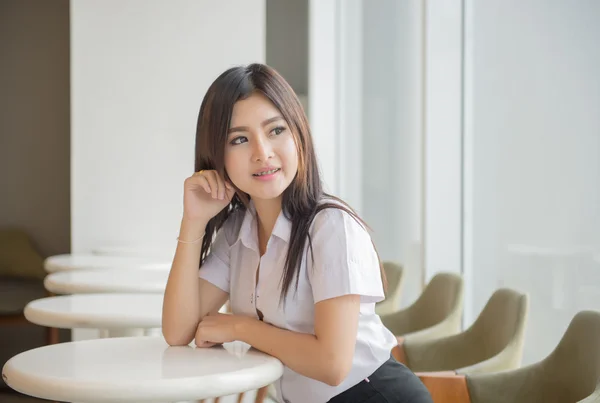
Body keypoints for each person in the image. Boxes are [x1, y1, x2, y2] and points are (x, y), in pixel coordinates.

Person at [162, 63, 433, 403]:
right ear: (217, 157)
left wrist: (240, 327)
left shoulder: (331, 227)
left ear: (298, 135)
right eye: (240, 139)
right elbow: (177, 331)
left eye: (275, 131)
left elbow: (332, 364)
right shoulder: (236, 232)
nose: (263, 153)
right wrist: (193, 221)